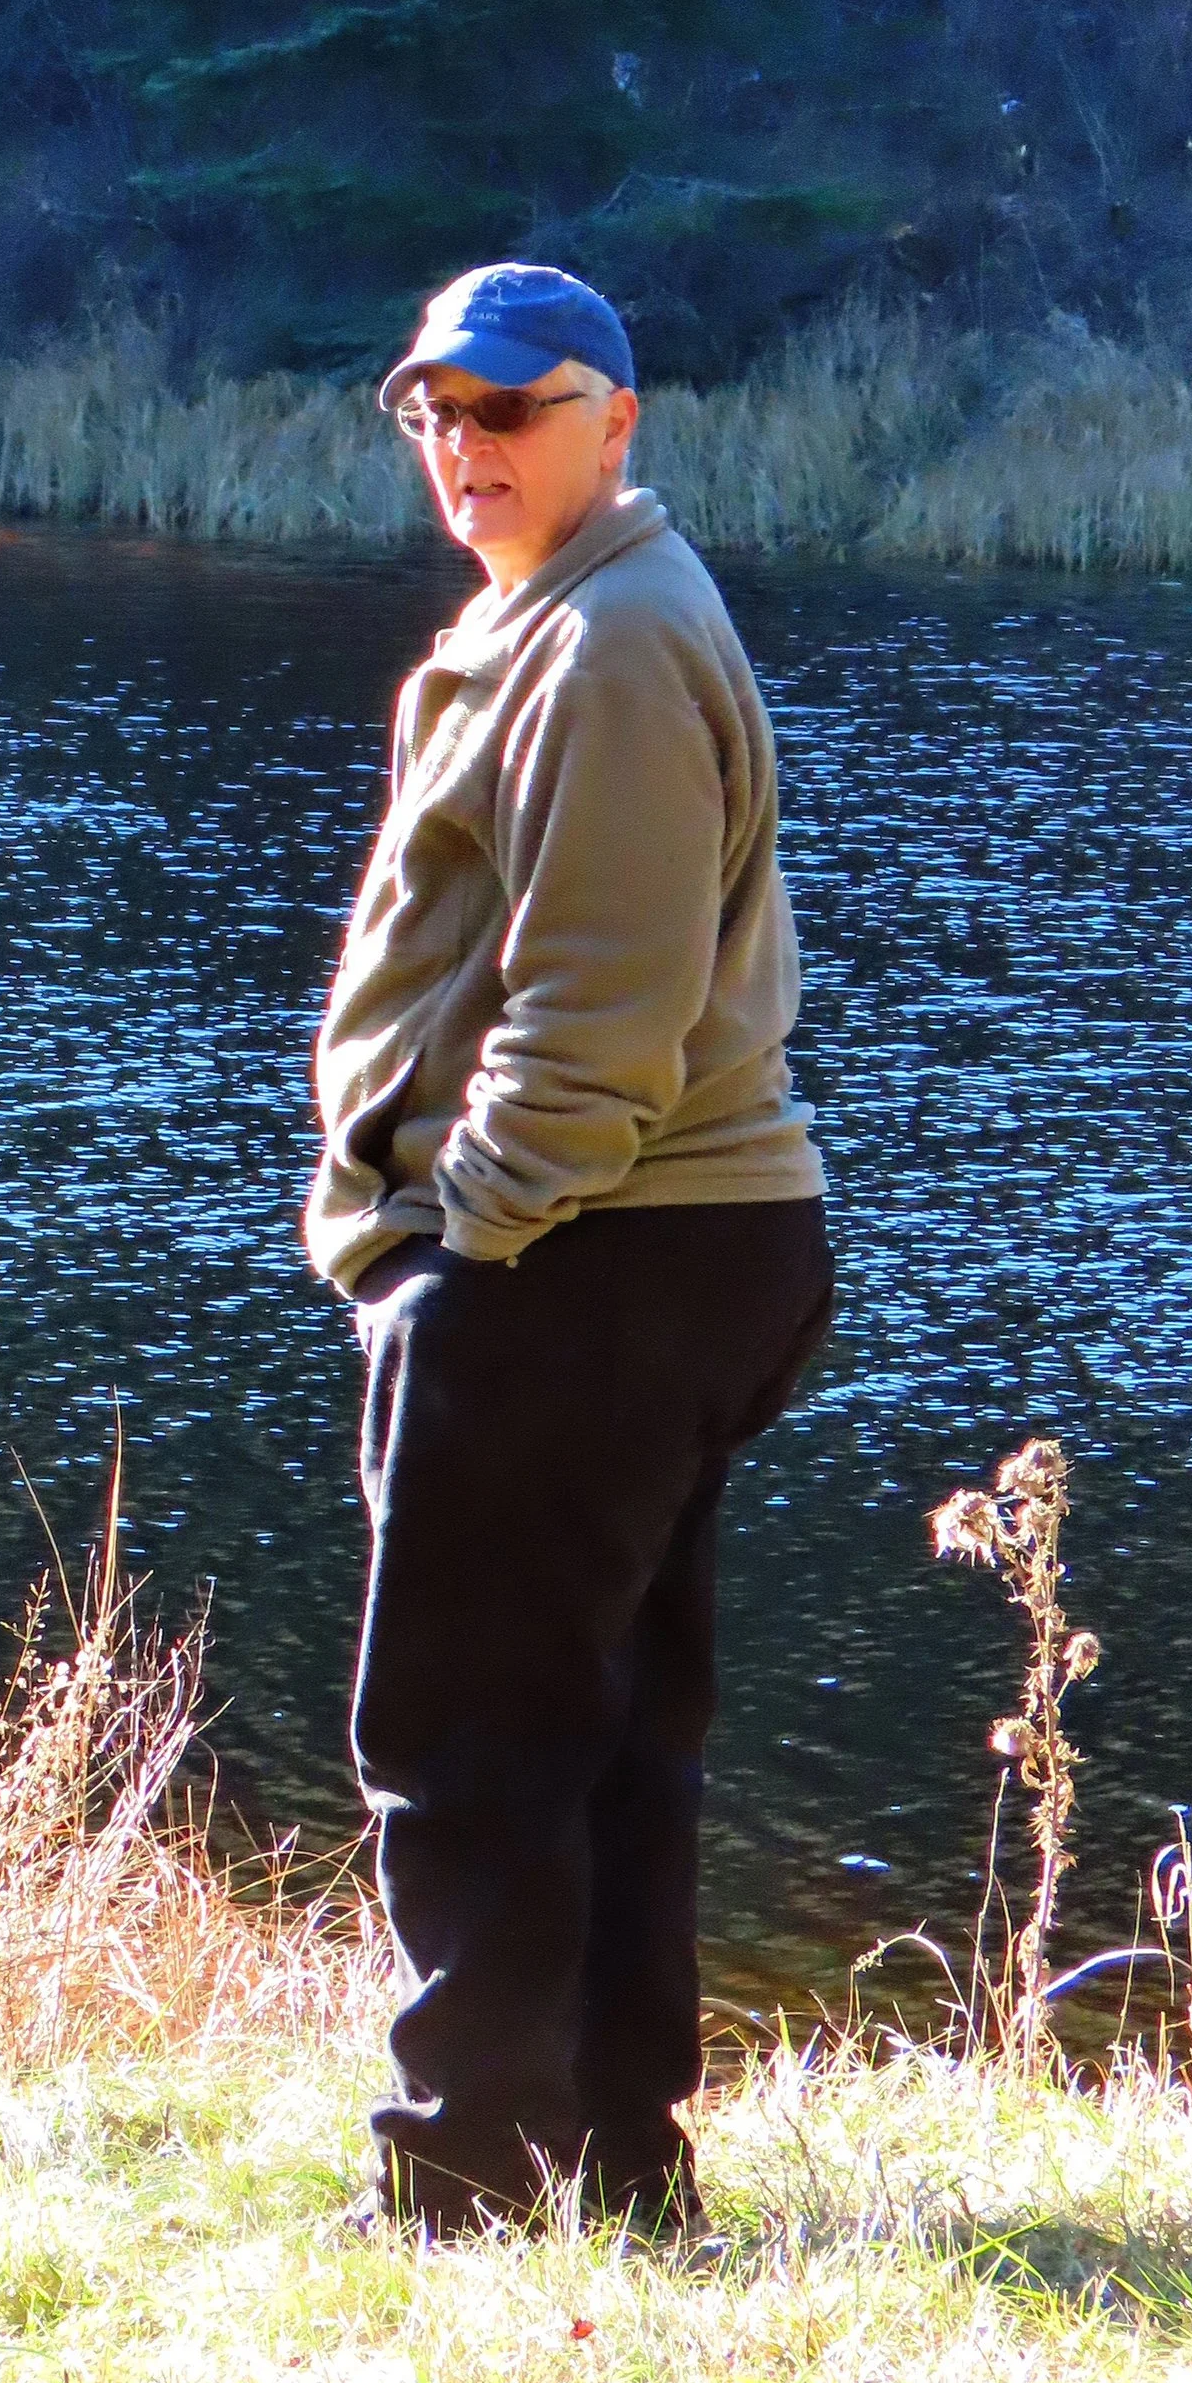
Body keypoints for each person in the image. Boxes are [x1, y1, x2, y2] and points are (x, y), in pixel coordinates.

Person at [305, 262, 833, 2239]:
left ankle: (458, 2180)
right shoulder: (566, 613)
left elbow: (597, 1012)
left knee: (467, 1734)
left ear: (613, 420)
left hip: (591, 1250)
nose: (463, 448)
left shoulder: (606, 640)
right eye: (432, 413)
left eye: (506, 411)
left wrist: (456, 1242)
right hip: (668, 1243)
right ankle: (613, 2166)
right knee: (603, 1731)